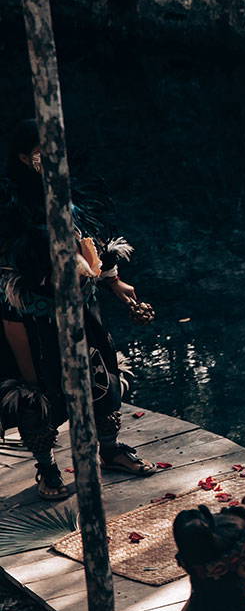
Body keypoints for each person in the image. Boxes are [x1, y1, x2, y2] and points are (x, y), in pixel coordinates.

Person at [0, 118, 156, 500]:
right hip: (34, 321)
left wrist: (113, 280)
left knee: (101, 376)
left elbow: (90, 244)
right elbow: (8, 290)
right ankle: (47, 468)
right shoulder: (9, 212)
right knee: (38, 392)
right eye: (41, 154)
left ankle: (110, 449)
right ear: (23, 158)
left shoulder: (65, 197)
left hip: (84, 313)